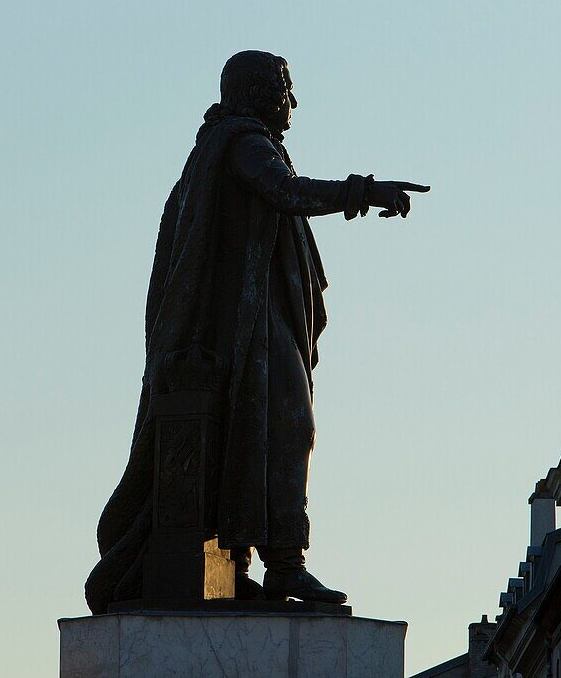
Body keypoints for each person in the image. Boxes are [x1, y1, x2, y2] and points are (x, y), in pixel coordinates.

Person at [86, 51, 429, 614]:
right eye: (283, 89)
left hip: (254, 324)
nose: (292, 102)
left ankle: (242, 563)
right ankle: (282, 563)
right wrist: (363, 191)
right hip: (249, 332)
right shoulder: (245, 145)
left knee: (256, 434)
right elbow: (286, 193)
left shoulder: (236, 145)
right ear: (256, 94)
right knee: (285, 428)